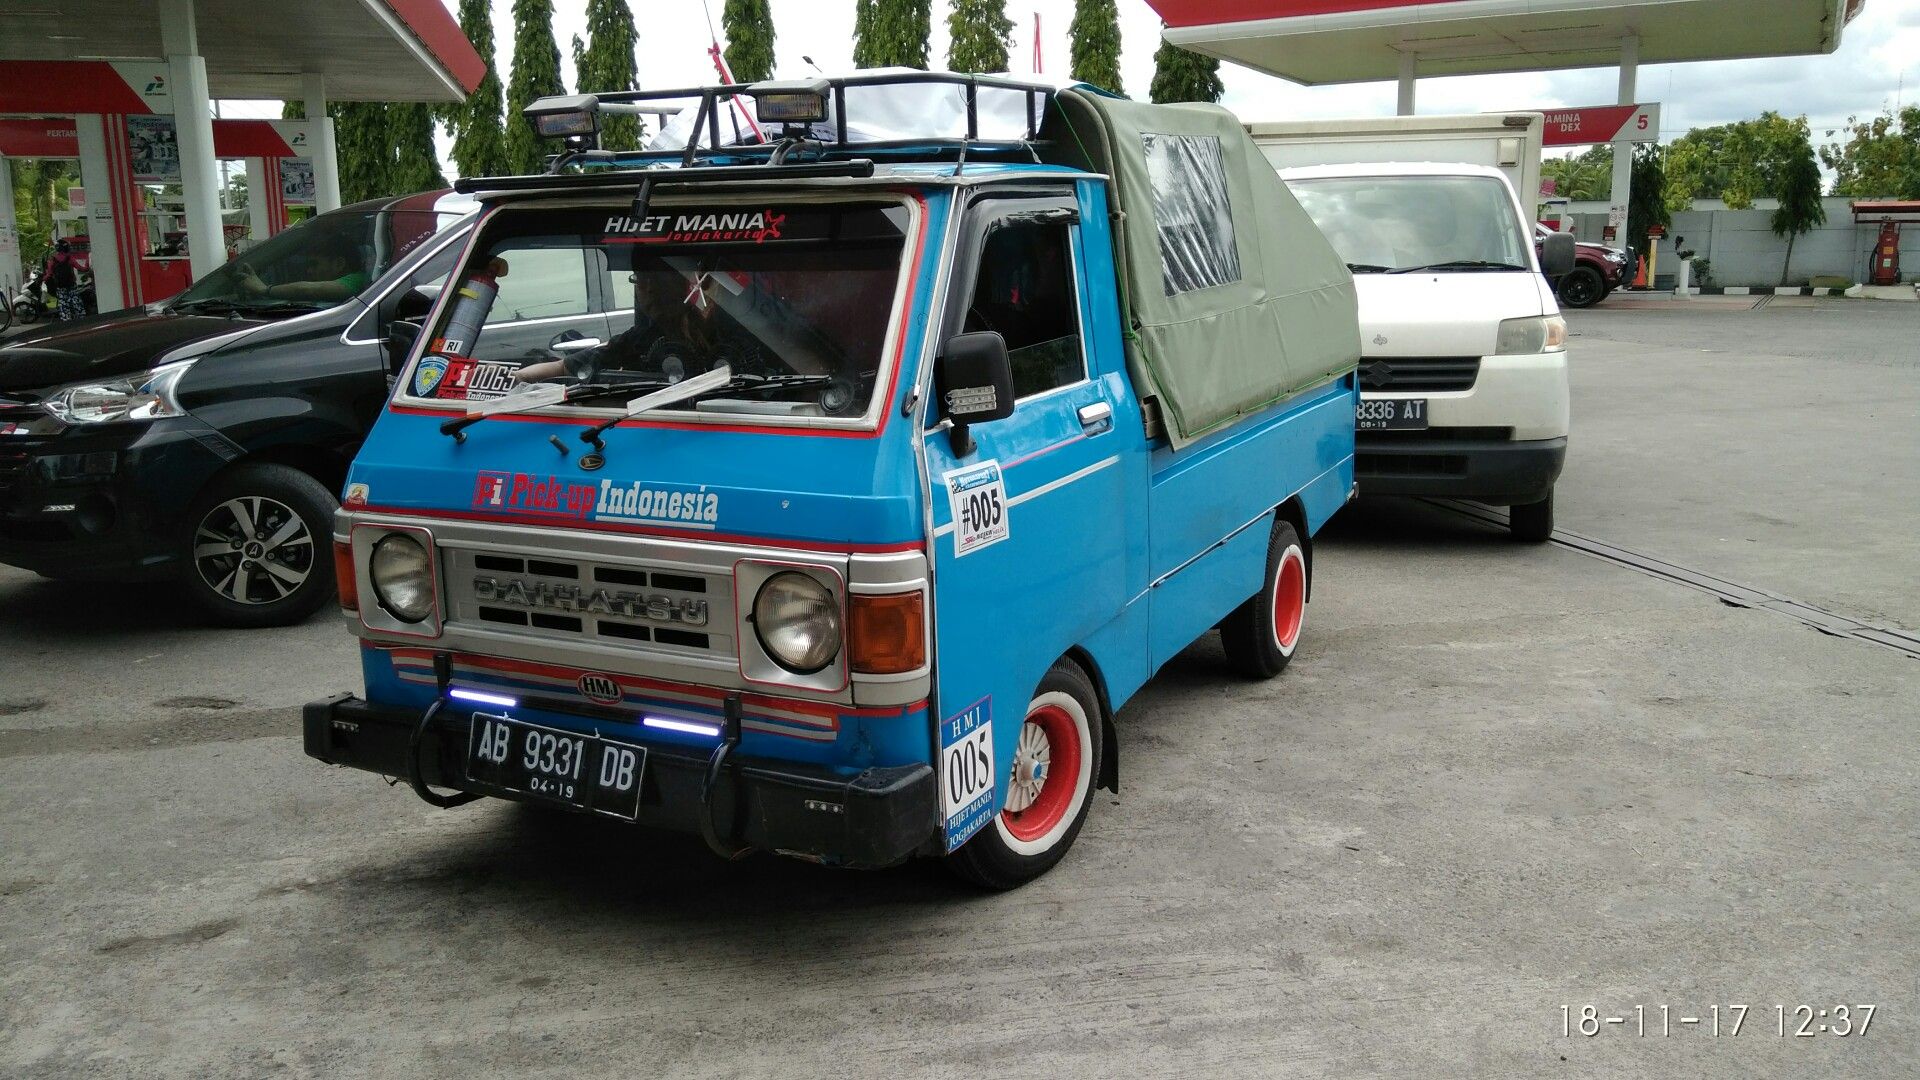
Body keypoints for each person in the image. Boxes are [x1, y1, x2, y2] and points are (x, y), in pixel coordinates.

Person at [233, 238, 370, 303]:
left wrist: (264, 290)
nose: (309, 271)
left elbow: (307, 290)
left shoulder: (357, 281)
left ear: (339, 263)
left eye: (314, 264)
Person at [44, 240, 85, 322]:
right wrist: (87, 264)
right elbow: (82, 268)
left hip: (60, 287)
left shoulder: (53, 260)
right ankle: (81, 319)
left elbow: (49, 274)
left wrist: (44, 278)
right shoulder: (69, 258)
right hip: (71, 285)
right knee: (76, 302)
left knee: (63, 304)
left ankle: (66, 320)